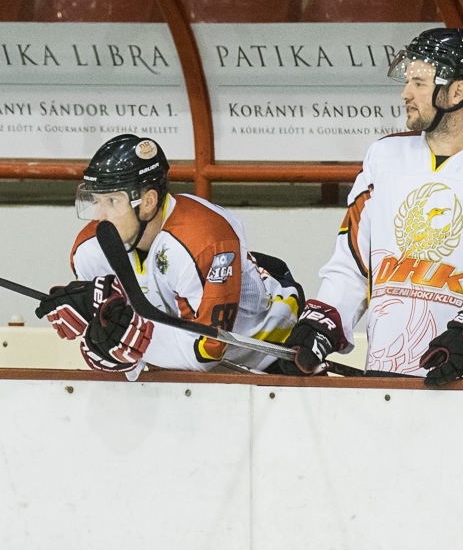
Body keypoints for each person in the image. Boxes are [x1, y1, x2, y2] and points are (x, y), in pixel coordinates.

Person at [279, 27, 463, 379]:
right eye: (408, 81)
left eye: (419, 83)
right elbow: (352, 262)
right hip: (385, 374)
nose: (405, 93)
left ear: (457, 91)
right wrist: (321, 323)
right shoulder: (384, 156)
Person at [36, 134, 302, 374]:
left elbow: (208, 349)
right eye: (97, 200)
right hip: (189, 369)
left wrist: (135, 343)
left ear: (148, 201)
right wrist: (97, 329)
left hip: (272, 353)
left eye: (112, 201)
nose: (98, 215)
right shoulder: (90, 249)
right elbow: (120, 332)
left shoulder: (204, 238)